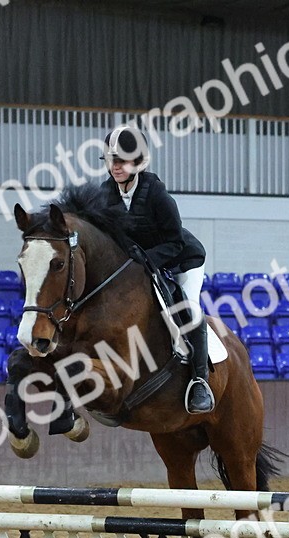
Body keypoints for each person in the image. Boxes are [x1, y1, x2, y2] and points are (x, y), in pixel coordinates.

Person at [100, 124, 214, 414]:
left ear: (138, 162)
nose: (116, 166)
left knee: (188, 310)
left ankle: (200, 381)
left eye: (122, 160)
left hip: (182, 262)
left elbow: (175, 243)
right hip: (140, 266)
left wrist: (143, 261)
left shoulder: (157, 194)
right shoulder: (104, 195)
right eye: (112, 160)